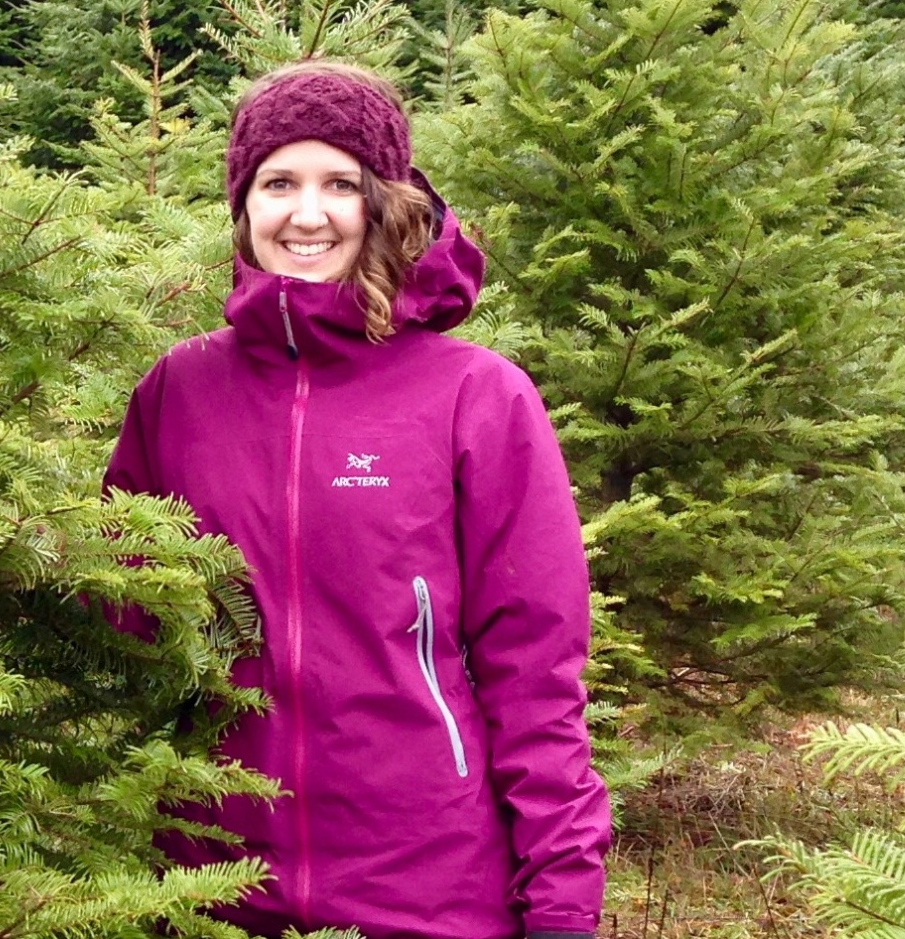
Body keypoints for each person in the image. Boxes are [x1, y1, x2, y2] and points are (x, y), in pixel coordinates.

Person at [103, 60, 611, 939]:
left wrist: (562, 907)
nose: (307, 214)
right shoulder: (179, 392)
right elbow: (122, 625)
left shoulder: (475, 397)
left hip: (425, 894)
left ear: (384, 201)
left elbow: (537, 675)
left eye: (339, 182)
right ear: (243, 205)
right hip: (211, 889)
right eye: (278, 183)